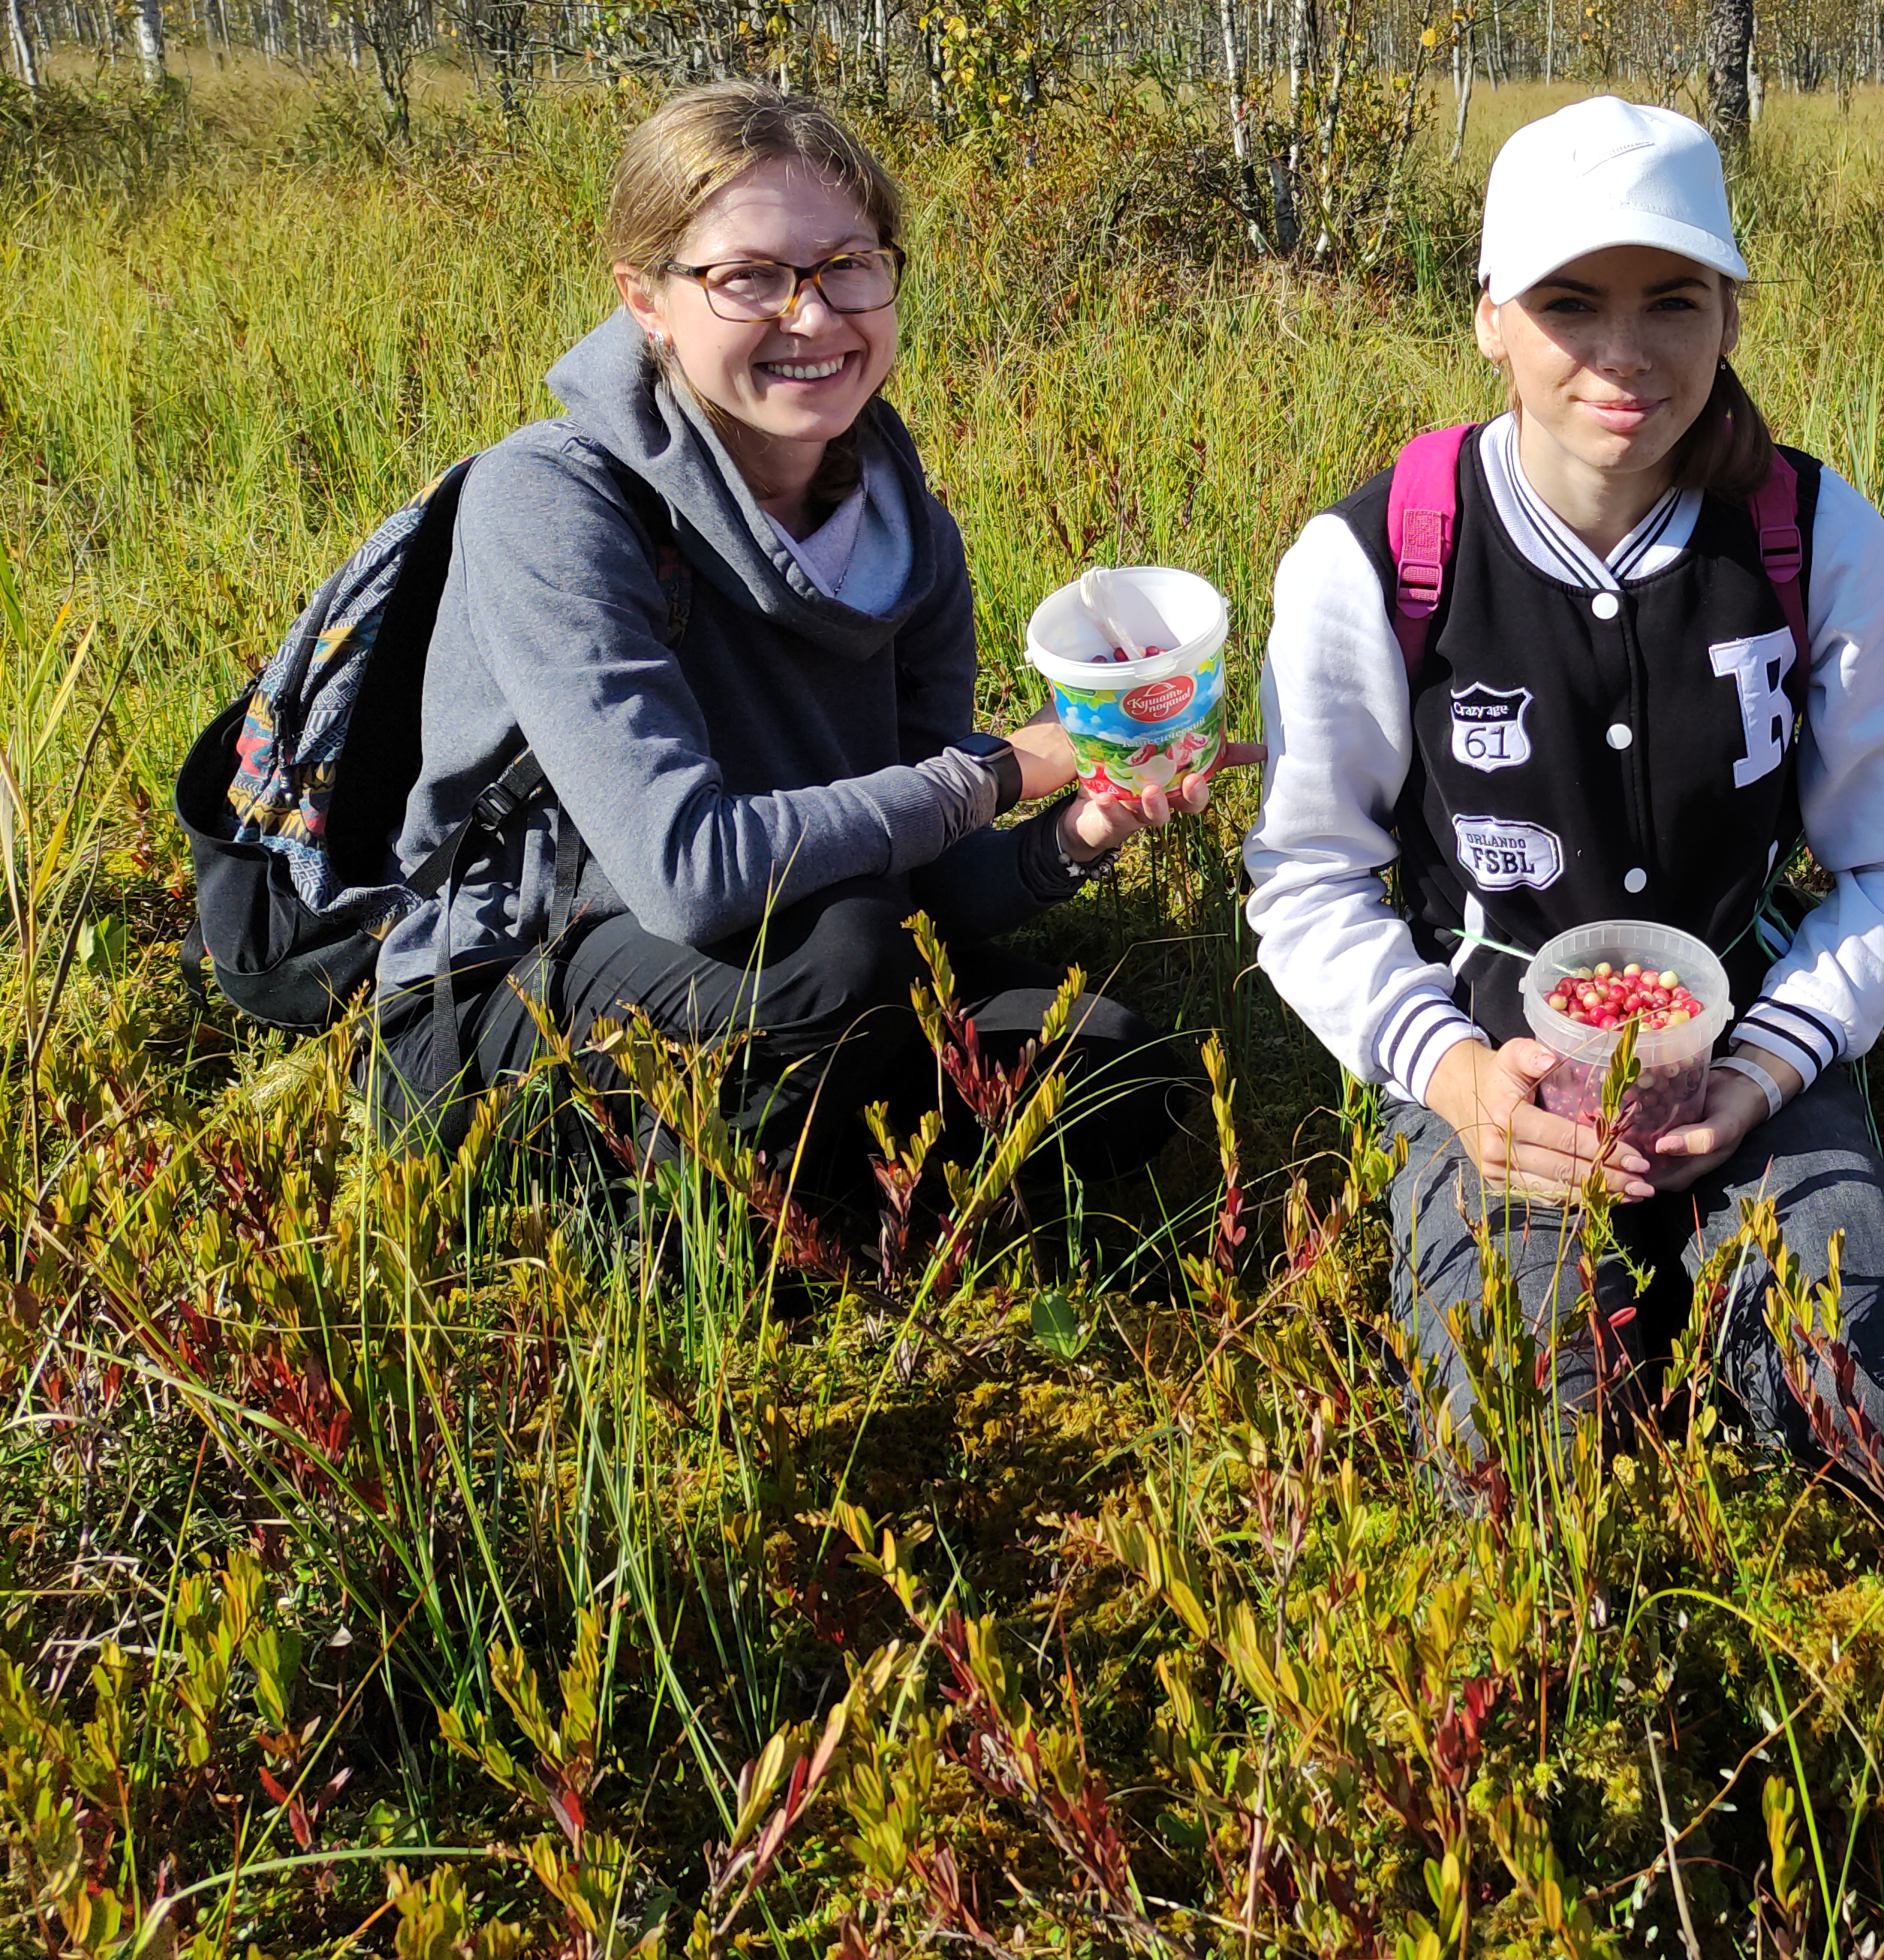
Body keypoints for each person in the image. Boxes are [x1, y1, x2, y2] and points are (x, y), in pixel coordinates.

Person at [1246, 95, 1884, 1497]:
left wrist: (1766, 1075)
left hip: (1749, 1043)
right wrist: (1457, 1085)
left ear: (1730, 317)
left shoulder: (1811, 535)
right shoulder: (1382, 553)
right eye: (1571, 303)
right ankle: (1584, 1316)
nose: (1623, 357)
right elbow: (1308, 879)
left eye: (1673, 303)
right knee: (1520, 1475)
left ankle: (1725, 1306)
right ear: (1491, 319)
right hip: (1492, 1063)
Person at [372, 81, 1240, 1226]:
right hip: (511, 991)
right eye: (750, 278)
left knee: (1128, 1074)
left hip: (801, 965)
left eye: (847, 266)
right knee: (849, 955)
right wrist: (1001, 771)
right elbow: (689, 875)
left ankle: (828, 1219)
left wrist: (1081, 824)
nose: (814, 317)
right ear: (644, 299)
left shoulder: (909, 533)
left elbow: (923, 872)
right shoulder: (553, 501)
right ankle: (654, 1241)